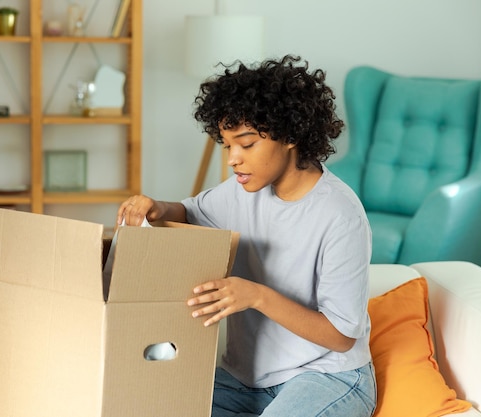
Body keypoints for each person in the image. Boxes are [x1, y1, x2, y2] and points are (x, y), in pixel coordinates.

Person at [117, 55, 375, 417]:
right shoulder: (240, 192)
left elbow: (341, 336)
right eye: (227, 145)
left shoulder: (340, 215)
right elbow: (189, 212)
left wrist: (255, 295)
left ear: (291, 135)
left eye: (247, 144)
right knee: (150, 404)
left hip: (326, 375)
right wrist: (156, 207)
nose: (233, 159)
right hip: (245, 380)